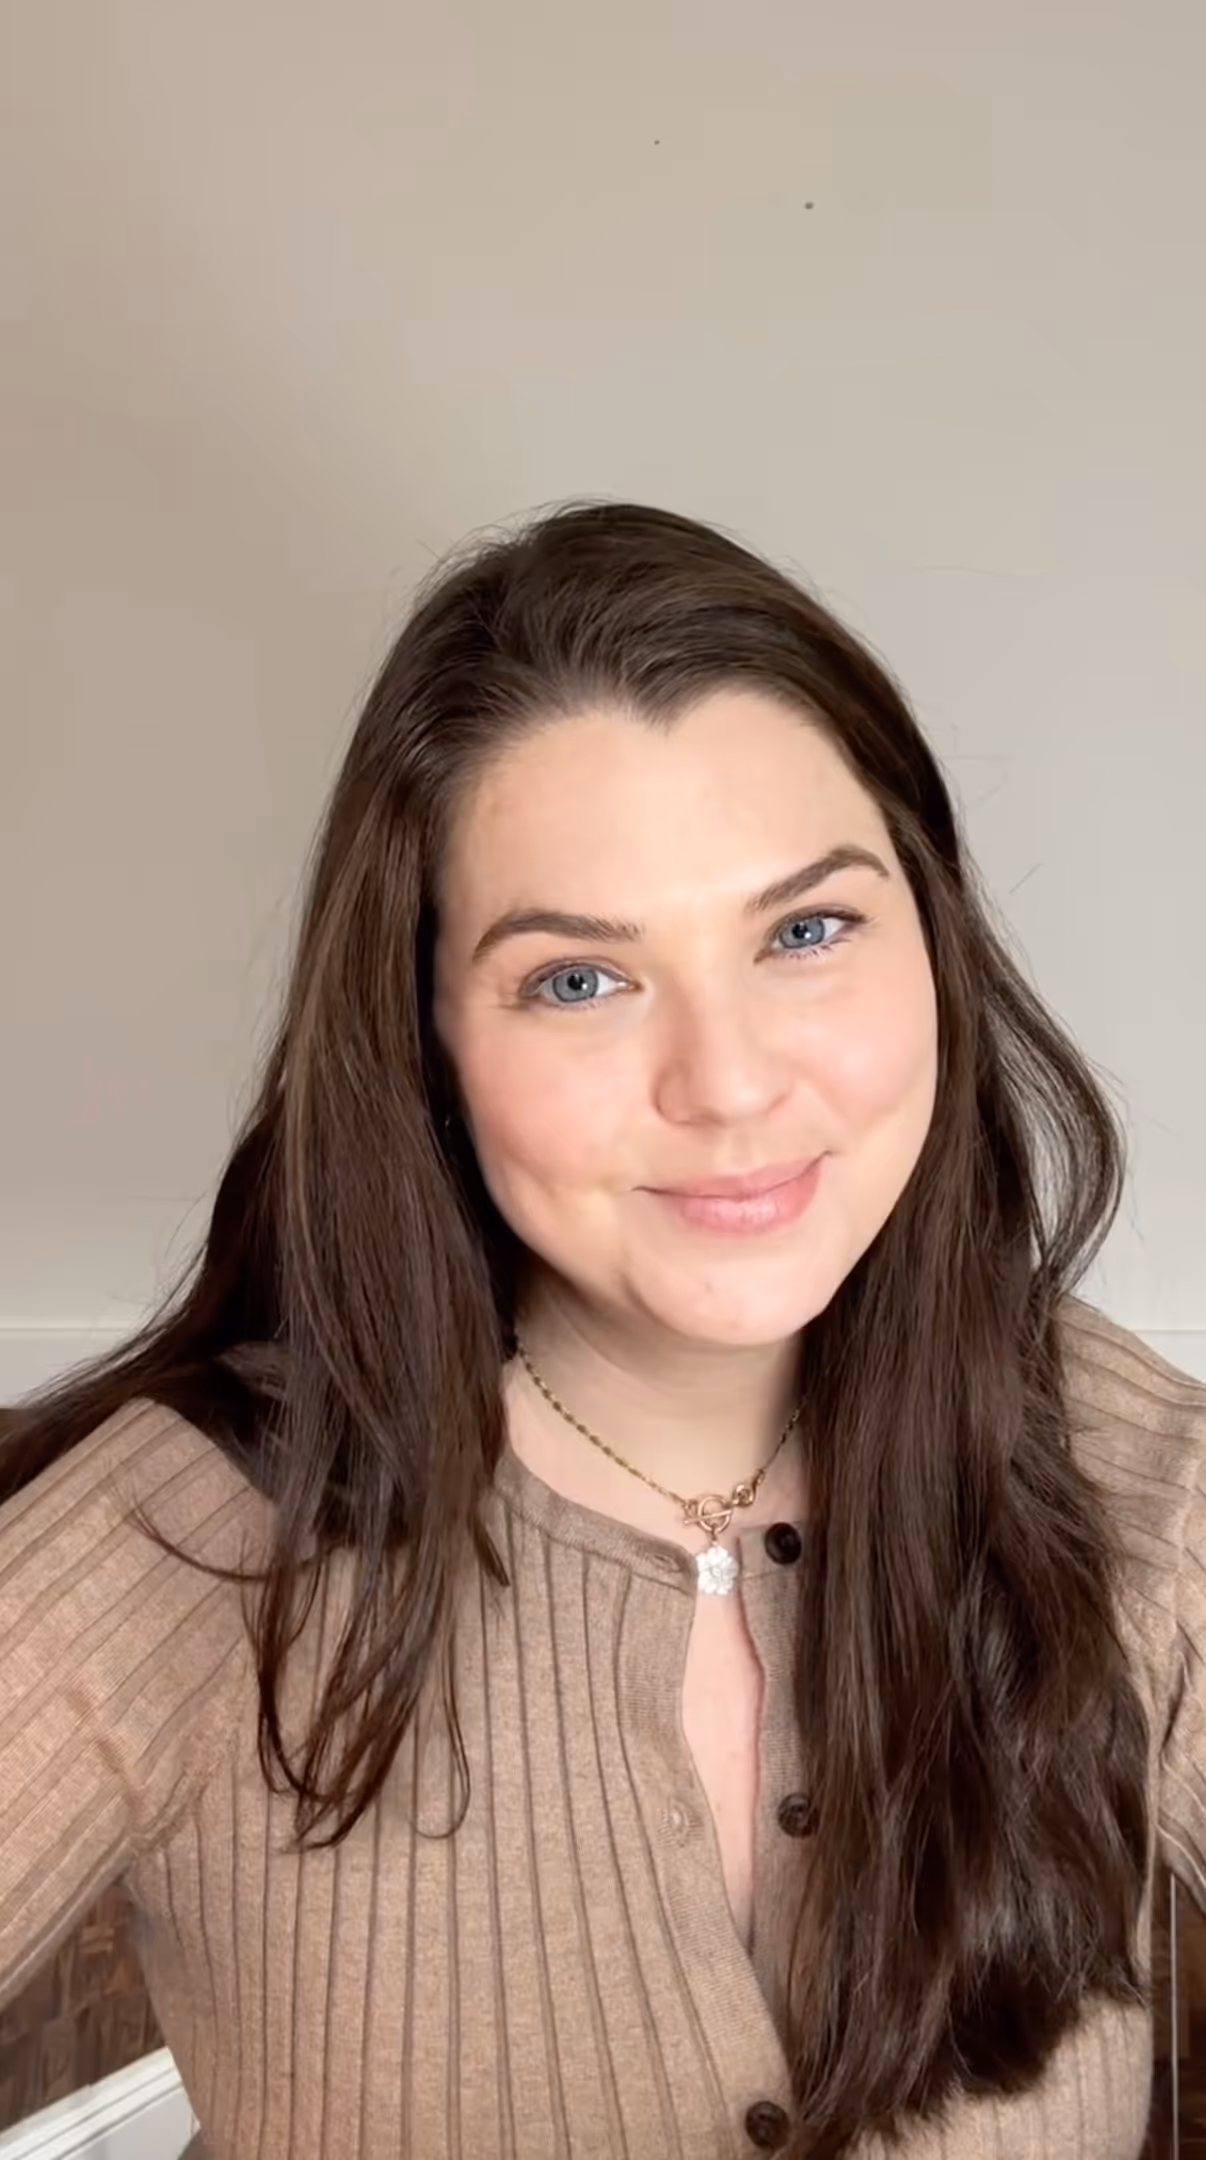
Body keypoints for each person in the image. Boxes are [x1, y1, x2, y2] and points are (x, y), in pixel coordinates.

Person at [1, 500, 1204, 2160]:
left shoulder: (1123, 1461)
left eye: (804, 931)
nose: (724, 1083)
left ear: (928, 942)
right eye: (577, 979)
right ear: (425, 1037)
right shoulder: (181, 1543)